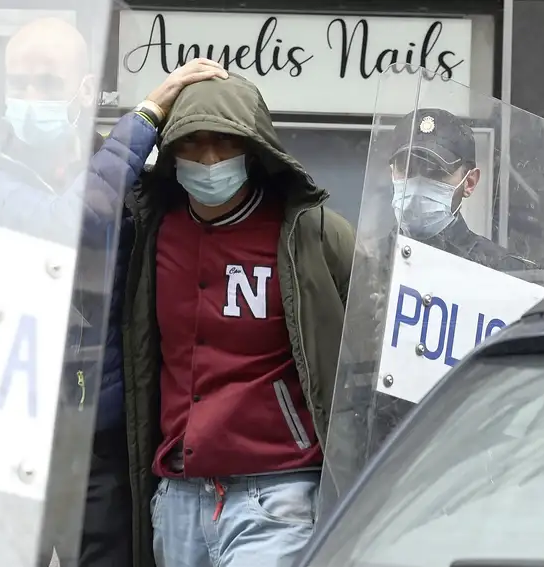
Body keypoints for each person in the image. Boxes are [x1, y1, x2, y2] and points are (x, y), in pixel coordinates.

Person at [0, 18, 227, 567]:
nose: (28, 97)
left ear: (82, 90)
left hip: (99, 440)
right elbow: (66, 226)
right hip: (1, 431)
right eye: (17, 83)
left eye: (46, 84)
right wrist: (144, 118)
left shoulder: (130, 171)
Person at [120, 73, 355, 567]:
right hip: (178, 497)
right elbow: (70, 206)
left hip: (279, 493)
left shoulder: (309, 234)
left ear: (253, 149)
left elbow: (373, 345)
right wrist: (146, 113)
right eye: (192, 143)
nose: (208, 160)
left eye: (224, 142)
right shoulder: (151, 233)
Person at [389, 108, 534, 271]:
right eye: (406, 167)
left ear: (469, 182)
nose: (417, 185)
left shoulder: (503, 273)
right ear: (391, 173)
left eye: (436, 171)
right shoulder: (366, 261)